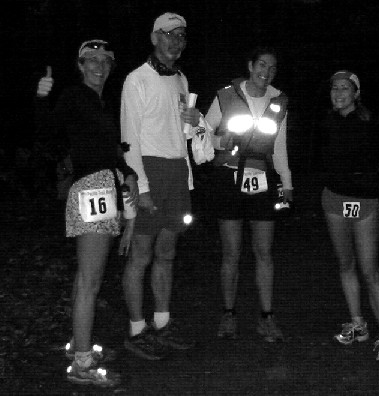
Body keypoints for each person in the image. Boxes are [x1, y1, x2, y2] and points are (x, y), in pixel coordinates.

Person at [36, 40, 138, 386]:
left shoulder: (100, 102)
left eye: (105, 61)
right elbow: (48, 135)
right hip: (92, 190)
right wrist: (40, 98)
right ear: (80, 65)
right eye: (91, 61)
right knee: (91, 280)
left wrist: (127, 173)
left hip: (104, 187)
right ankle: (81, 363)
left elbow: (108, 151)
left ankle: (78, 346)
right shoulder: (74, 96)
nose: (99, 66)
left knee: (86, 278)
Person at [120, 12, 200, 360]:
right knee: (141, 255)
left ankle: (163, 323)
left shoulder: (181, 79)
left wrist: (196, 125)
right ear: (155, 38)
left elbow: (184, 135)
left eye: (181, 35)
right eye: (168, 35)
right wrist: (143, 186)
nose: (175, 41)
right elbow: (128, 139)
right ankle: (137, 330)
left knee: (167, 252)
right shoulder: (136, 79)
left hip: (177, 173)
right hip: (149, 170)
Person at [204, 46, 293, 342]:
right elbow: (202, 133)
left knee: (264, 252)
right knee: (231, 252)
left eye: (272, 68)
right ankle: (228, 314)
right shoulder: (226, 95)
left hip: (263, 180)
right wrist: (220, 141)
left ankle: (266, 317)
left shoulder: (278, 101)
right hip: (228, 179)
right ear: (250, 65)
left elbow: (279, 147)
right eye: (261, 65)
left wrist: (287, 183)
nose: (266, 72)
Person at [319, 70, 379, 361]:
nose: (338, 94)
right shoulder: (327, 121)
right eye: (334, 88)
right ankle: (358, 323)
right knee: (345, 263)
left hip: (364, 203)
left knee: (369, 269)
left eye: (345, 89)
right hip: (334, 200)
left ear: (356, 93)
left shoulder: (372, 123)